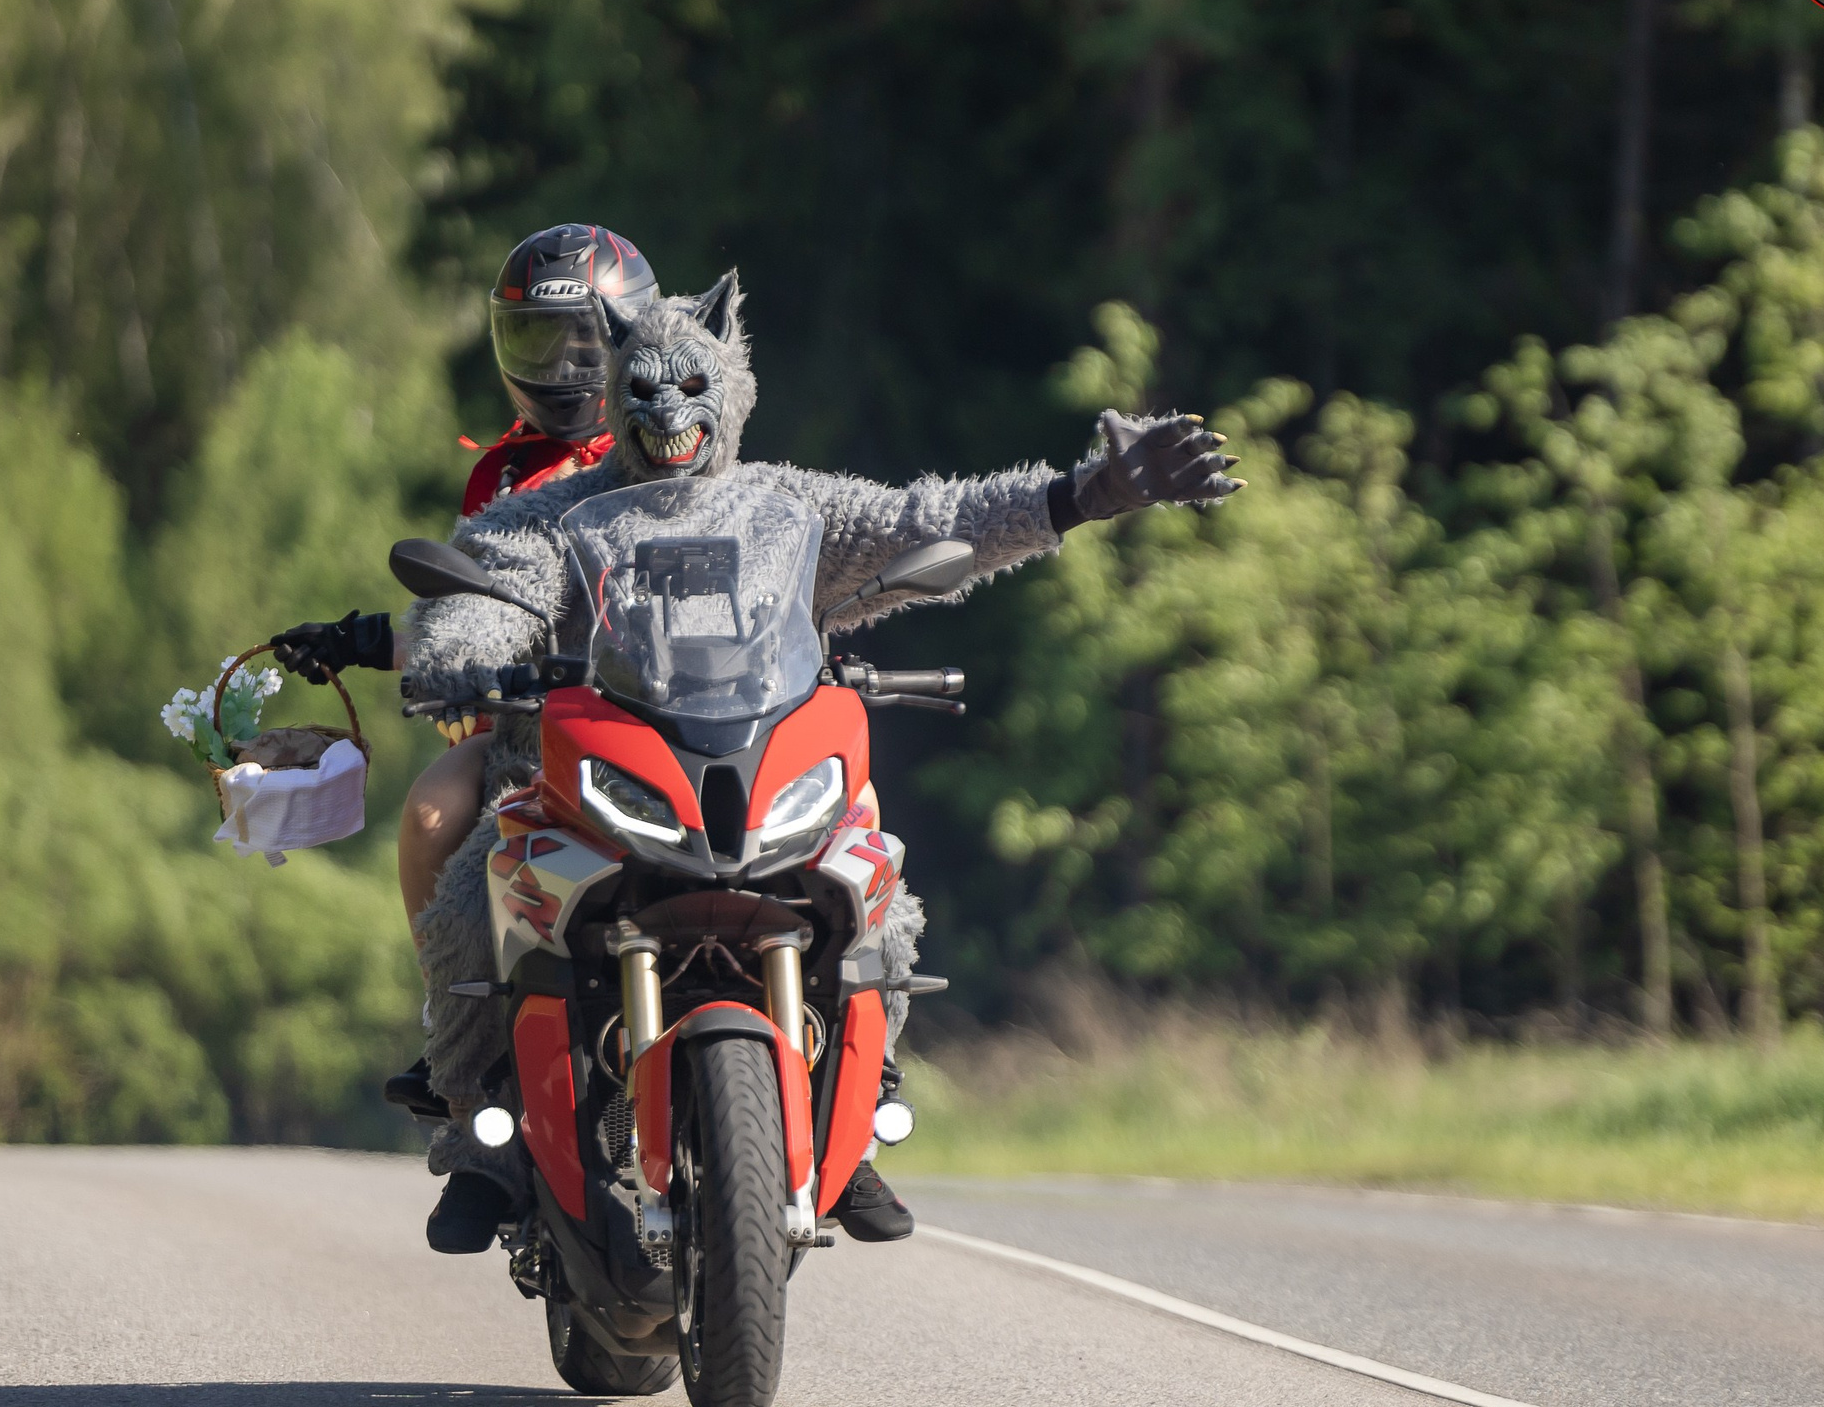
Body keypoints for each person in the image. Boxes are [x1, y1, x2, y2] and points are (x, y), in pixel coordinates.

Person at [397, 272, 1241, 1255]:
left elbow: (931, 522)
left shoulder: (785, 505)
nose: (668, 411)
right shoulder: (556, 514)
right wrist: (463, 649)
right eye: (644, 391)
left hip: (750, 762)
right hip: (601, 779)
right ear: (614, 390)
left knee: (875, 882)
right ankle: (480, 1145)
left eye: (688, 386)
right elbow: (492, 583)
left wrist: (1082, 493)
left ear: (731, 384)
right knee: (471, 899)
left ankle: (853, 1118)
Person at [269, 223, 661, 1104]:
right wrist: (362, 638)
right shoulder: (501, 476)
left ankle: (859, 1066)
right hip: (537, 730)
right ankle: (459, 1029)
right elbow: (468, 614)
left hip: (682, 717)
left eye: (584, 342)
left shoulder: (675, 438)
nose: (562, 367)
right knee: (433, 811)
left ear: (637, 335)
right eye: (538, 341)